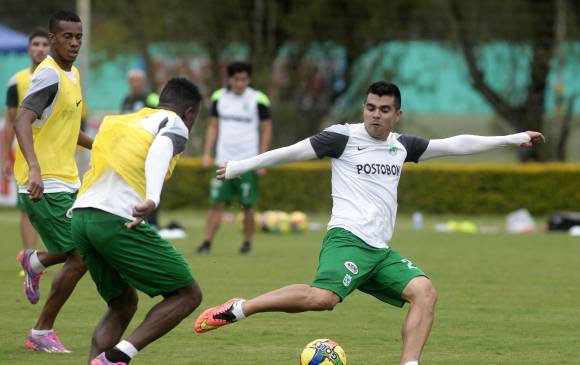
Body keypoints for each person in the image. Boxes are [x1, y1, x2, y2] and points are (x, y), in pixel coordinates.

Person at [194, 81, 545, 365]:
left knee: (425, 292)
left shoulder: (402, 146)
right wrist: (240, 166)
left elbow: (456, 144)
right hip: (347, 239)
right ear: (364, 108)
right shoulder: (341, 137)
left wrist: (514, 139)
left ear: (397, 114)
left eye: (384, 110)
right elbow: (290, 151)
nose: (375, 115)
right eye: (370, 108)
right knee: (323, 299)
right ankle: (242, 307)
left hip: (380, 251)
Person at [71, 77, 203, 365]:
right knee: (188, 295)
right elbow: (161, 149)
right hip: (115, 219)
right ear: (190, 112)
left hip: (81, 217)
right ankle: (117, 357)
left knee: (122, 303)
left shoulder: (123, 121)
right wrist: (153, 198)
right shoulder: (175, 122)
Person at [13, 10, 93, 353]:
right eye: (67, 37)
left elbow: (69, 129)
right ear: (53, 38)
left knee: (83, 250)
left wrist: (105, 147)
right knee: (81, 255)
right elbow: (21, 121)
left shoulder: (72, 74)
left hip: (67, 180)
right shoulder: (48, 75)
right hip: (42, 182)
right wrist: (33, 168)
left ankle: (34, 262)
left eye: (78, 36)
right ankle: (41, 333)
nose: (74, 42)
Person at [197, 61, 272, 255]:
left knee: (248, 205)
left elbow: (266, 129)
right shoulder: (219, 97)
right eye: (236, 79)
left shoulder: (258, 99)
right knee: (216, 203)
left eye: (244, 79)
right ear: (229, 79)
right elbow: (213, 126)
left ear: (249, 79)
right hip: (223, 160)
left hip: (248, 162)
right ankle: (206, 243)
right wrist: (207, 153)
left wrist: (263, 159)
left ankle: (247, 244)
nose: (240, 83)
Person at [1, 29, 49, 258]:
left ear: (50, 48)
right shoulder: (17, 81)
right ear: (29, 49)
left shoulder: (62, 76)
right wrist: (4, 158)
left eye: (44, 44)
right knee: (29, 207)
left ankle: (60, 255)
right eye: (36, 44)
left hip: (56, 152)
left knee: (61, 207)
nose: (40, 48)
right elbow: (10, 122)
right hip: (26, 154)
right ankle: (30, 257)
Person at [120, 69, 161, 227]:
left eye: (138, 80)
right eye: (132, 81)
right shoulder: (127, 100)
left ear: (143, 82)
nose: (135, 84)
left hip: (148, 148)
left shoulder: (151, 98)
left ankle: (154, 223)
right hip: (130, 150)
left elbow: (162, 116)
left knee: (151, 185)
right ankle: (133, 218)